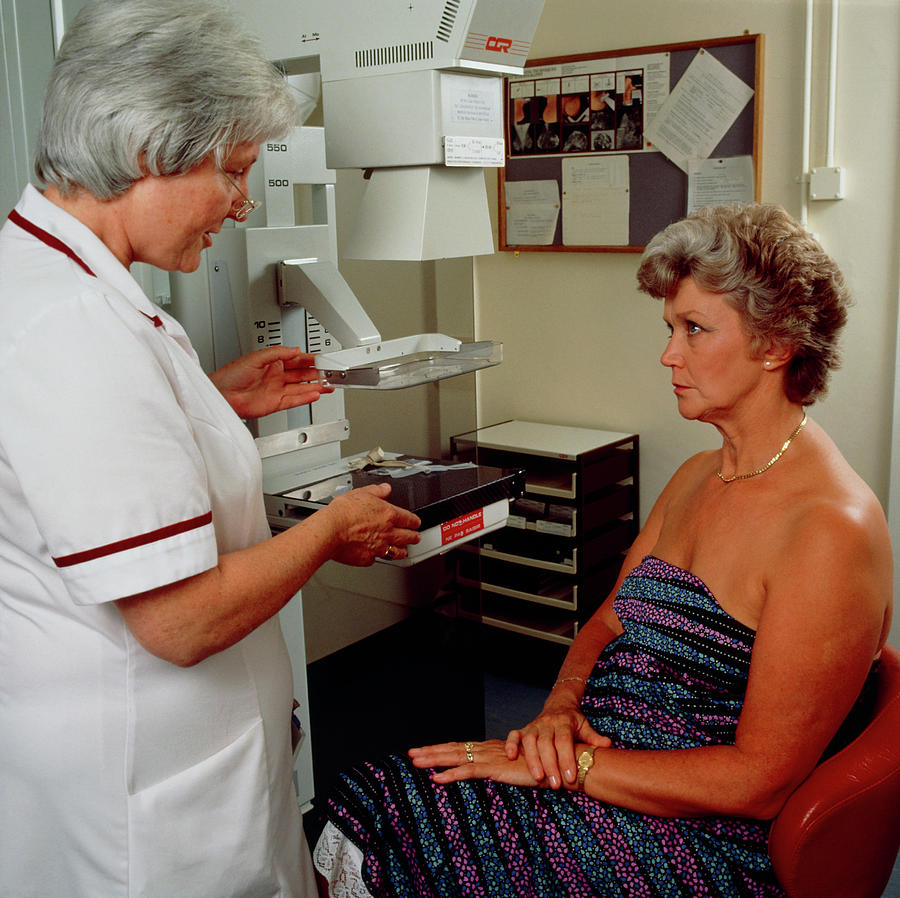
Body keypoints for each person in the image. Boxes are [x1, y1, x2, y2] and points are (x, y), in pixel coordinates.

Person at [312, 203, 893, 897]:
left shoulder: (831, 529)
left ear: (774, 346)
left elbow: (758, 783)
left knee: (415, 847)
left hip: (694, 828)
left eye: (694, 330)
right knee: (366, 802)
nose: (668, 354)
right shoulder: (698, 476)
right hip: (600, 760)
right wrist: (557, 710)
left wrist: (561, 768)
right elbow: (608, 624)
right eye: (670, 328)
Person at [0, 2, 421, 896]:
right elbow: (181, 622)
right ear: (152, 150)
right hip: (146, 803)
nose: (243, 201)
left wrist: (214, 398)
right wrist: (331, 529)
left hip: (151, 759)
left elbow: (85, 460)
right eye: (233, 171)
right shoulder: (74, 323)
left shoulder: (54, 278)